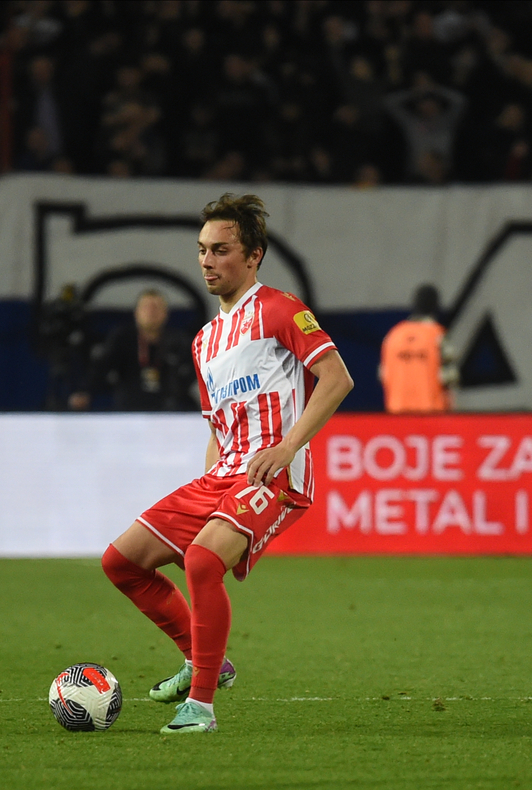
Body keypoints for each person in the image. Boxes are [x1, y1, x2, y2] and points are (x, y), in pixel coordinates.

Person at [100, 194, 354, 734]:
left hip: (277, 473)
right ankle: (200, 656)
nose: (208, 261)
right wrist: (207, 477)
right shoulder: (203, 341)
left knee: (200, 562)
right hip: (223, 474)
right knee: (122, 562)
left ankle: (202, 707)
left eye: (221, 250)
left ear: (254, 255)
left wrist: (288, 447)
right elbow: (216, 424)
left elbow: (337, 379)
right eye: (201, 250)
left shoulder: (281, 309)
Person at [69, 289, 196, 412]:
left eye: (156, 307)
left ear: (165, 313)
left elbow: (194, 373)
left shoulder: (179, 340)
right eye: (146, 307)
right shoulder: (122, 338)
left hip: (169, 411)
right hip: (128, 410)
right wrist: (85, 391)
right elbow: (102, 368)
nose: (151, 312)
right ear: (136, 313)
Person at [378, 284, 454, 413]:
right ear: (436, 306)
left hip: (396, 414)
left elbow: (383, 375)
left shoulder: (393, 335)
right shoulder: (437, 336)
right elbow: (450, 379)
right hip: (432, 415)